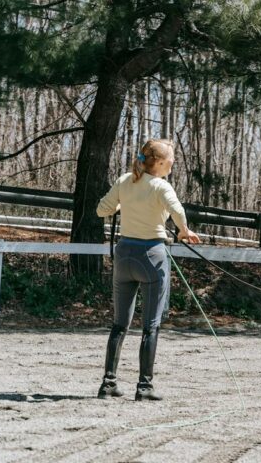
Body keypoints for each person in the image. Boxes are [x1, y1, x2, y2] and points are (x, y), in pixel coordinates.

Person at [94, 139, 200, 400]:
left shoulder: (125, 180)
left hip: (124, 256)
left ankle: (108, 384)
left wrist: (122, 205)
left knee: (119, 324)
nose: (173, 163)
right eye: (171, 159)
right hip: (151, 256)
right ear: (161, 163)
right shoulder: (161, 186)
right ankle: (144, 387)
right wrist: (184, 231)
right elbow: (177, 210)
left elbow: (101, 210)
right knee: (150, 325)